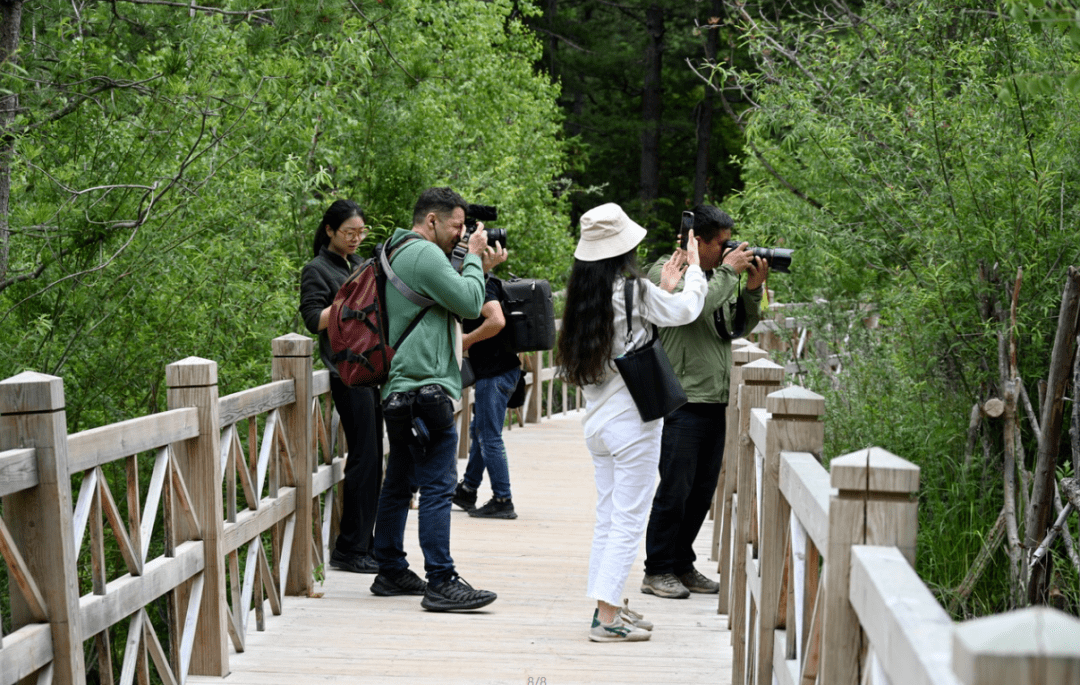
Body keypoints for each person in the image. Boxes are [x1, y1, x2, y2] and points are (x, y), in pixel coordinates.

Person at [556, 202, 707, 642]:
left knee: (609, 517)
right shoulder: (633, 290)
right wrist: (694, 272)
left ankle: (610, 605)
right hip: (633, 424)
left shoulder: (584, 296)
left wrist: (662, 287)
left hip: (598, 426)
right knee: (628, 519)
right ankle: (606, 619)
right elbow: (686, 311)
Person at [368, 186, 504, 612]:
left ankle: (389, 568)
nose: (461, 234)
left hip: (400, 388)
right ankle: (441, 580)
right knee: (438, 485)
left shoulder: (394, 248)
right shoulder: (424, 254)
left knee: (400, 480)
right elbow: (467, 301)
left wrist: (475, 263)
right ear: (431, 221)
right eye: (456, 226)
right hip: (425, 387)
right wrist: (476, 262)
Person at [641, 205, 768, 599]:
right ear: (698, 241)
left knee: (701, 490)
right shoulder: (668, 271)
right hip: (680, 398)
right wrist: (730, 274)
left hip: (714, 397)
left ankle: (682, 564)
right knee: (674, 489)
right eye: (723, 244)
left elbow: (737, 328)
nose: (730, 250)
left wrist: (751, 290)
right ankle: (657, 569)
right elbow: (691, 311)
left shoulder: (718, 278)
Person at [299, 199, 383, 575]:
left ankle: (366, 544)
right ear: (330, 231)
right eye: (349, 232)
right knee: (363, 458)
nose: (355, 238)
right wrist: (350, 297)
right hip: (346, 371)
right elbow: (313, 319)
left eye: (360, 232)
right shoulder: (316, 269)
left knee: (373, 458)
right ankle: (349, 549)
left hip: (372, 366)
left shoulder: (359, 263)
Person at [452, 265, 521, 519]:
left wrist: (467, 340)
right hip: (499, 371)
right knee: (479, 430)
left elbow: (497, 320)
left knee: (489, 436)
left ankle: (503, 499)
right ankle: (468, 490)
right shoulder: (487, 281)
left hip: (495, 373)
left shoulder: (482, 286)